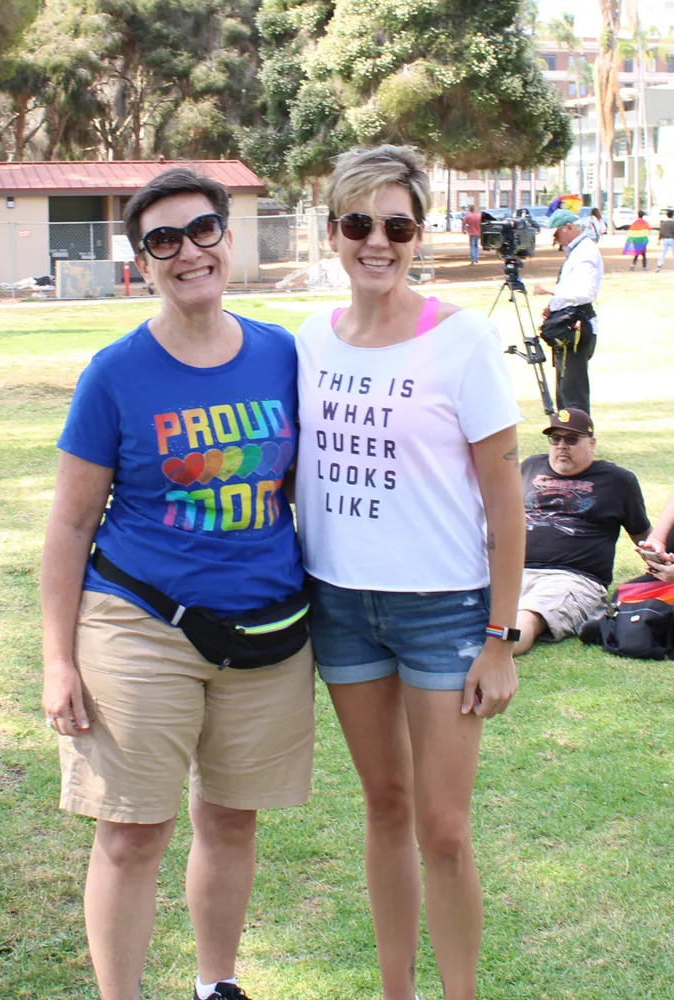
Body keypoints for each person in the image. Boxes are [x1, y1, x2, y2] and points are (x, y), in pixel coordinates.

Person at [40, 167, 315, 1000]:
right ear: (143, 262)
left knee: (231, 816)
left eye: (202, 230)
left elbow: (302, 485)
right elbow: (70, 524)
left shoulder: (281, 354)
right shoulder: (115, 373)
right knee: (132, 833)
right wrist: (57, 659)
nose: (188, 251)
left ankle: (214, 985)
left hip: (264, 632)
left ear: (227, 237)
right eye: (163, 240)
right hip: (140, 625)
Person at [295, 145, 525, 1000]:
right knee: (384, 806)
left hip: (444, 612)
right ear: (333, 232)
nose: (376, 242)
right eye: (358, 223)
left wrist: (499, 638)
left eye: (396, 226)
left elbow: (505, 500)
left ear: (419, 235)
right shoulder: (309, 341)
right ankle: (396, 990)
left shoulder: (462, 339)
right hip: (340, 606)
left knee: (444, 829)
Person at [515, 408, 651, 655]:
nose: (562, 446)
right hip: (511, 571)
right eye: (555, 439)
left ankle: (495, 651)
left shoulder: (618, 481)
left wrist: (661, 562)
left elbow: (645, 538)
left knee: (528, 617)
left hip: (570, 578)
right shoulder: (530, 467)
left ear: (592, 444)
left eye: (571, 439)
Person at [533, 208, 603, 415]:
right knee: (565, 392)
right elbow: (572, 288)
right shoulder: (578, 251)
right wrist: (555, 305)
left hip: (577, 328)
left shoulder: (586, 252)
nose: (555, 239)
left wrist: (549, 289)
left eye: (557, 234)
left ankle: (576, 433)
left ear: (569, 227)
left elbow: (585, 293)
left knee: (573, 395)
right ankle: (567, 432)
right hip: (569, 323)